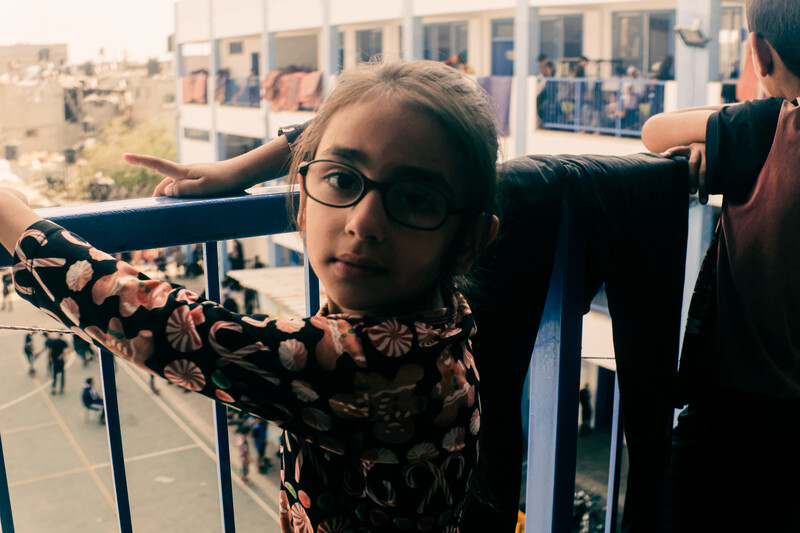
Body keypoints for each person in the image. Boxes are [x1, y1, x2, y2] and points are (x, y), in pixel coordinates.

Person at [0, 58, 500, 532]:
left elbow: (162, 325)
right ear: (303, 199)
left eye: (415, 198)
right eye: (343, 178)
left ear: (469, 243)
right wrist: (244, 168)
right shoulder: (441, 320)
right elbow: (381, 118)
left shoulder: (365, 366)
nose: (363, 221)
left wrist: (11, 218)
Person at [641, 1, 800, 530]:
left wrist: (710, 137)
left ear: (758, 54)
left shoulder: (768, 130)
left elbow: (655, 131)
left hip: (736, 415)